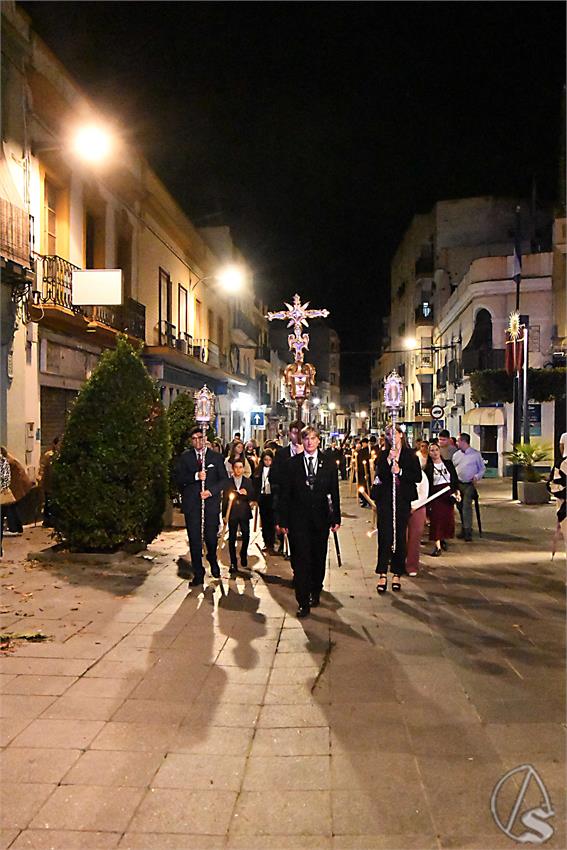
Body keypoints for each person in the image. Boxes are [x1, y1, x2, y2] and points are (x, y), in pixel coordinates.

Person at [278, 425, 341, 618]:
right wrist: (283, 520)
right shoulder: (292, 464)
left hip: (320, 519)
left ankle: (316, 589)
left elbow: (334, 492)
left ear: (318, 441)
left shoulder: (328, 463)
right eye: (306, 439)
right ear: (301, 441)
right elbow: (285, 494)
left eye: (313, 438)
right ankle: (302, 600)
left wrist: (335, 517)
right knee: (301, 560)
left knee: (317, 558)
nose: (310, 442)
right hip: (299, 520)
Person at [174, 426, 228, 586]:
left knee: (211, 538)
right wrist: (195, 476)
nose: (197, 441)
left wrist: (211, 492)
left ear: (205, 439)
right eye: (194, 439)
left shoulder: (215, 458)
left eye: (200, 438)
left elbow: (224, 480)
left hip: (210, 506)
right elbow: (179, 478)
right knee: (195, 540)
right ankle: (198, 572)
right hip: (193, 505)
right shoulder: (185, 458)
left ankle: (212, 558)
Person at [371, 426, 421, 593]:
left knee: (399, 536)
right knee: (384, 536)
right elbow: (379, 476)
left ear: (401, 435)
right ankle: (382, 572)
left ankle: (397, 572)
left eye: (395, 433)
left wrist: (400, 471)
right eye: (388, 434)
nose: (392, 436)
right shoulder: (383, 454)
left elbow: (417, 476)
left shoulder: (410, 455)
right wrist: (386, 462)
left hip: (402, 500)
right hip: (385, 500)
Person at [270, 420, 304, 557]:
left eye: (301, 433)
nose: (298, 437)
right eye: (295, 433)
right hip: (287, 502)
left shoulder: (310, 454)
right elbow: (274, 477)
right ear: (290, 434)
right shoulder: (281, 454)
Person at [424, 442, 459, 556]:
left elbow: (454, 479)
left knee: (447, 519)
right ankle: (437, 545)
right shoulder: (428, 468)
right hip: (436, 496)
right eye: (432, 451)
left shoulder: (448, 464)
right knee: (436, 520)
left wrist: (456, 492)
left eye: (436, 450)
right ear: (429, 453)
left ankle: (443, 539)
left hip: (447, 494)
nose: (435, 452)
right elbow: (427, 484)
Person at [223, 459, 255, 574]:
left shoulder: (247, 481)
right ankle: (233, 562)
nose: (238, 470)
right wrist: (224, 515)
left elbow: (252, 494)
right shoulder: (228, 482)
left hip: (244, 512)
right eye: (236, 467)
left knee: (246, 534)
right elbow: (225, 499)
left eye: (241, 467)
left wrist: (246, 493)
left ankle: (243, 553)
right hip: (232, 512)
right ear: (233, 468)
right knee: (232, 538)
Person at [452, 433, 485, 542]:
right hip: (458, 484)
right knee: (460, 506)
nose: (456, 443)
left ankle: (468, 531)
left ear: (463, 441)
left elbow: (482, 469)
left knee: (466, 506)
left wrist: (477, 476)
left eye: (458, 441)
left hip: (469, 484)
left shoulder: (476, 455)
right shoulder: (456, 455)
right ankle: (463, 526)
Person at [0, 447, 33, 537]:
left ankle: (14, 528)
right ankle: (17, 527)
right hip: (16, 486)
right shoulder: (9, 460)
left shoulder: (7, 462)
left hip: (14, 487)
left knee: (10, 507)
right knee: (12, 507)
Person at [405, 463, 429, 576]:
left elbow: (424, 494)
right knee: (401, 537)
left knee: (415, 537)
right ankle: (399, 562)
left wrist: (414, 506)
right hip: (403, 508)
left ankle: (412, 565)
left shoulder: (422, 476)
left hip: (418, 508)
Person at [253, 449, 276, 554]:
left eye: (269, 460)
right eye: (265, 460)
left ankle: (271, 542)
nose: (267, 462)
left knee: (272, 521)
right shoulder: (259, 470)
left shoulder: (275, 470)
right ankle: (266, 541)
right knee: (265, 520)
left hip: (272, 497)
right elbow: (255, 483)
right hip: (263, 497)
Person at [37, 436, 60, 528]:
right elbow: (42, 468)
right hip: (48, 482)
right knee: (48, 502)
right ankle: (47, 520)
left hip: (57, 483)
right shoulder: (48, 456)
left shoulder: (61, 456)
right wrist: (40, 479)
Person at [357, 437, 371, 506]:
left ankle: (367, 500)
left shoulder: (368, 451)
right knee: (363, 486)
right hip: (362, 471)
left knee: (366, 485)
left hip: (366, 471)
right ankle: (364, 499)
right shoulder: (361, 451)